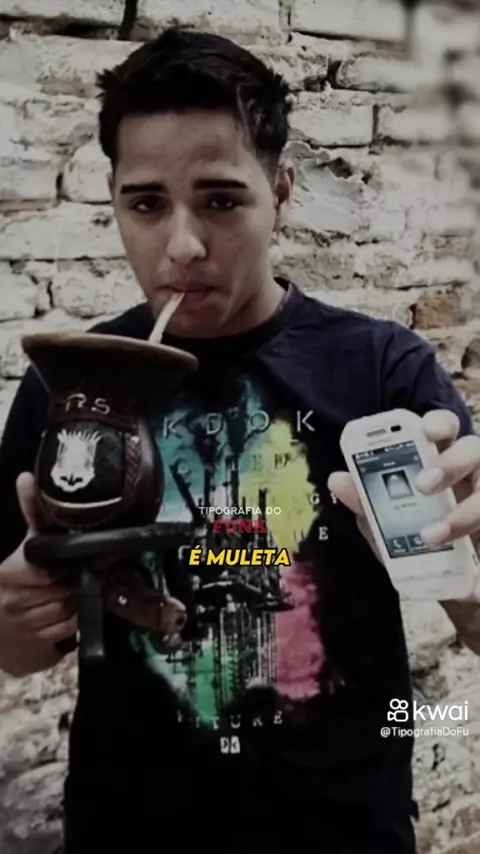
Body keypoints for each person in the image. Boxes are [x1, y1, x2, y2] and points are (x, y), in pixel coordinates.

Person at [1, 26, 480, 854]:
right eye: (146, 204)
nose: (182, 246)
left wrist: (470, 582)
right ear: (112, 196)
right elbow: (19, 655)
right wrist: (17, 617)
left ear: (281, 193)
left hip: (344, 829)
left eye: (221, 201)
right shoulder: (71, 381)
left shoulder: (381, 369)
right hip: (128, 826)